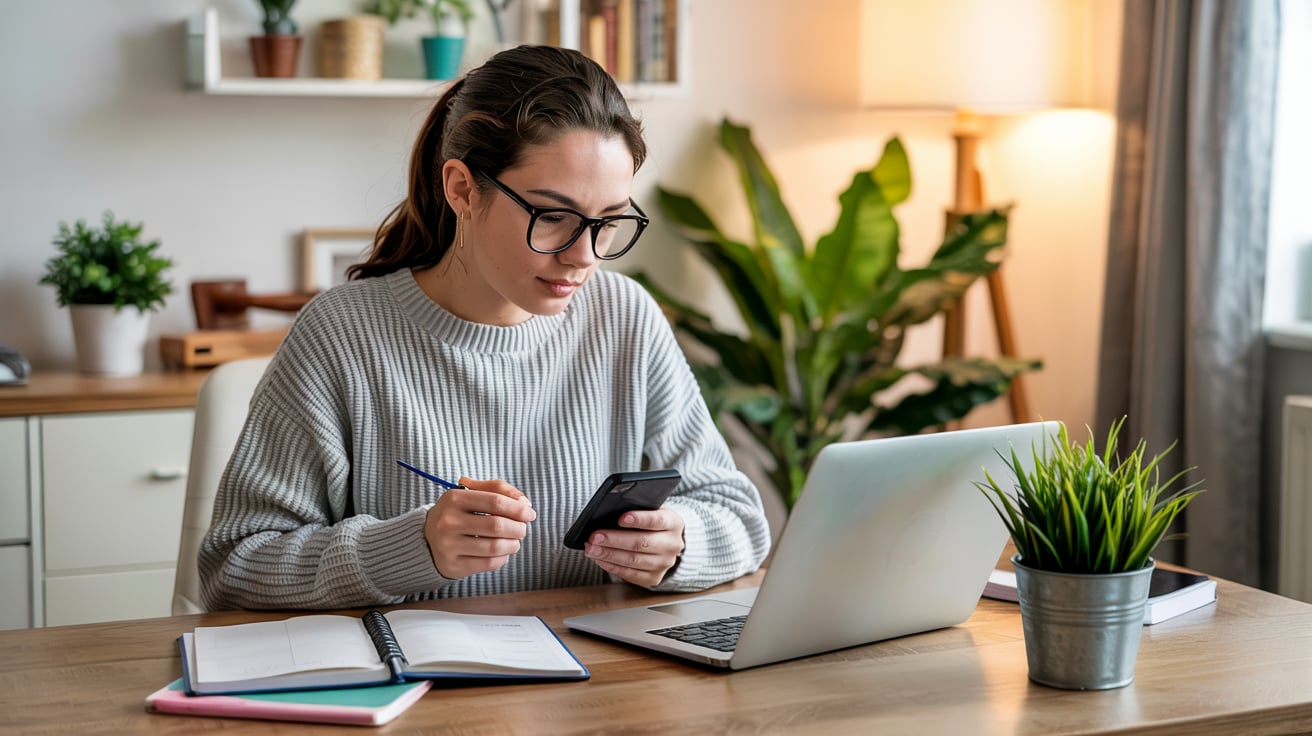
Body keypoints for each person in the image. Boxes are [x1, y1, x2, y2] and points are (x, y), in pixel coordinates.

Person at [199, 45, 772, 610]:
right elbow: (234, 567)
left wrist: (678, 545)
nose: (585, 256)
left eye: (609, 221)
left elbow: (742, 518)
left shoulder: (625, 317)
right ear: (462, 190)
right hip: (417, 672)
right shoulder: (341, 334)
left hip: (598, 669)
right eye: (553, 216)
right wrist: (409, 547)